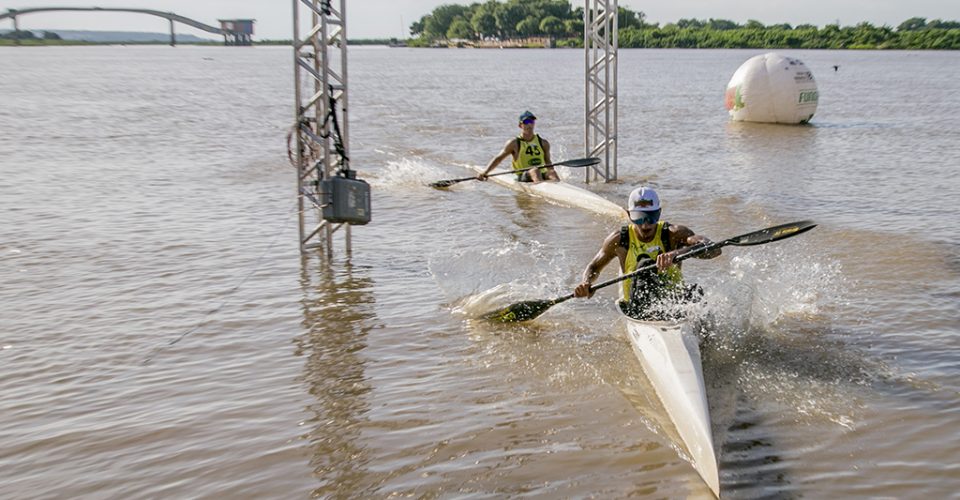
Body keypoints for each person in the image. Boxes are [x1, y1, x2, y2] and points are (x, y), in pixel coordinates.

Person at [573, 186, 722, 320]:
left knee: (696, 293)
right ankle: (652, 317)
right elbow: (594, 267)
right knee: (646, 265)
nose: (645, 225)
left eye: (651, 217)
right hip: (638, 309)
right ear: (629, 215)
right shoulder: (619, 239)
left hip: (673, 304)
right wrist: (587, 283)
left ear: (659, 213)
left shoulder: (673, 234)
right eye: (639, 218)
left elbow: (714, 249)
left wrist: (676, 254)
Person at [477, 110, 559, 183]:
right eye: (526, 122)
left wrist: (550, 173)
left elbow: (548, 162)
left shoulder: (543, 143)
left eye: (531, 121)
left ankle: (556, 189)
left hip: (540, 173)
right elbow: (499, 159)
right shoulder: (514, 143)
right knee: (535, 171)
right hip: (523, 175)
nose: (529, 124)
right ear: (520, 125)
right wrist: (485, 172)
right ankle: (539, 189)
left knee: (552, 172)